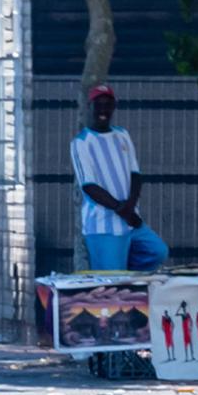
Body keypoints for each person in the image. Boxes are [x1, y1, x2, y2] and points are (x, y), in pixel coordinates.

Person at [70, 84, 168, 272]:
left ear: (114, 107)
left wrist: (130, 207)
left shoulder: (122, 135)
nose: (103, 110)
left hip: (130, 220)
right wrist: (120, 208)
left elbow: (136, 174)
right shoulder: (81, 142)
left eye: (108, 104)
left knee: (157, 251)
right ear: (89, 107)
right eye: (98, 104)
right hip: (103, 227)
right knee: (112, 284)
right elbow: (89, 186)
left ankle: (125, 272)